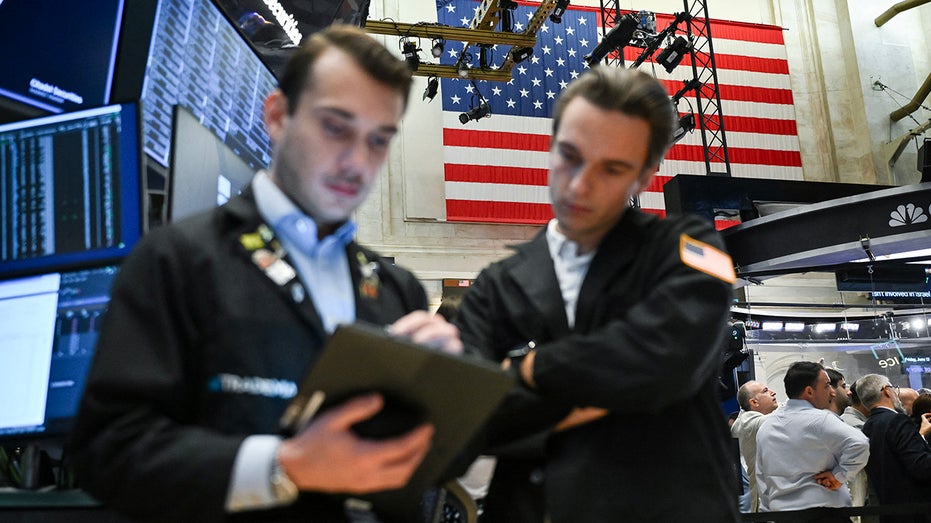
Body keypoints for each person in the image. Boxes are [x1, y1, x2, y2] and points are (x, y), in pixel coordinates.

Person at [70, 25, 463, 523]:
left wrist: (448, 391)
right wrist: (284, 467)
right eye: (336, 128)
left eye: (378, 141)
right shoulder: (179, 260)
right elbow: (108, 453)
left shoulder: (394, 287)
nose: (356, 162)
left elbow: (436, 463)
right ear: (277, 115)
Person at [454, 66, 740, 522]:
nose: (579, 184)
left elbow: (664, 360)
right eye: (570, 156)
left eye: (612, 168)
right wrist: (611, 387)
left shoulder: (694, 247)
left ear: (645, 174)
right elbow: (463, 414)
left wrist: (525, 367)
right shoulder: (496, 285)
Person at [755, 361, 870, 521]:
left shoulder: (767, 425)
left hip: (782, 515)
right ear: (809, 391)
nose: (832, 392)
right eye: (827, 386)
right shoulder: (821, 419)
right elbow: (860, 443)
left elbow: (762, 476)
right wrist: (839, 476)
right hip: (824, 514)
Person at [859, 374, 931, 523]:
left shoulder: (868, 426)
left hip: (890, 512)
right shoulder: (898, 420)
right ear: (886, 390)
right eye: (894, 388)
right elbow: (922, 466)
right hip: (916, 512)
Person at [731, 380, 779, 512]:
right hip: (762, 506)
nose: (773, 392)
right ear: (754, 402)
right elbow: (784, 417)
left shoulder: (752, 419)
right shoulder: (745, 422)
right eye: (765, 391)